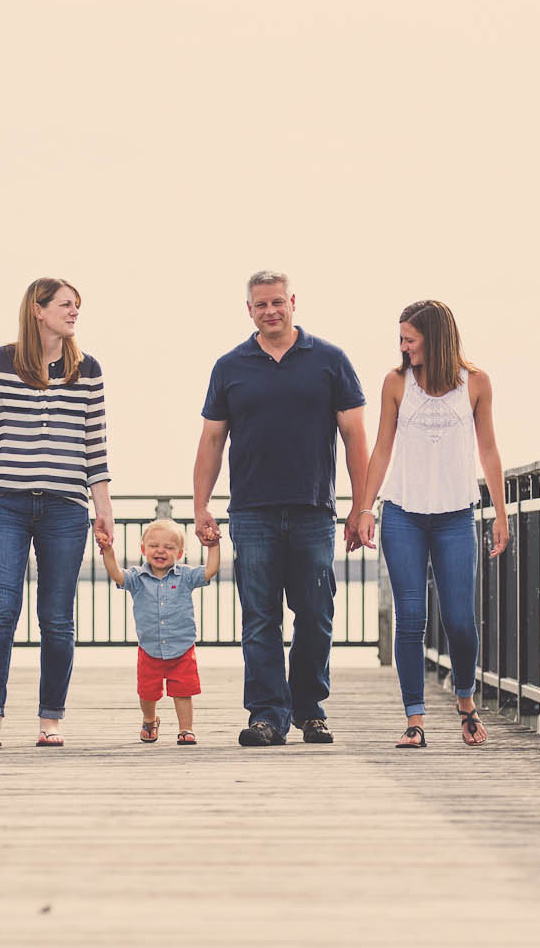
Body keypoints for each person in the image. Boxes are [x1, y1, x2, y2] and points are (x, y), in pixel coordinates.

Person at [193, 270, 368, 747]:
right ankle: (267, 715)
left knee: (315, 613)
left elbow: (355, 436)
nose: (270, 311)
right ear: (248, 310)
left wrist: (361, 506)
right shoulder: (230, 366)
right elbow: (212, 439)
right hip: (251, 512)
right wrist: (201, 505)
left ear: (293, 302)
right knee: (259, 618)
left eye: (277, 302)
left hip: (314, 510)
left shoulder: (330, 360)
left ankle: (310, 709)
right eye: (260, 305)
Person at [0, 277, 113, 748]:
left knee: (57, 617)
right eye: (66, 304)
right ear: (38, 310)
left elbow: (95, 446)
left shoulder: (88, 369)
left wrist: (102, 508)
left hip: (66, 507)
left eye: (77, 306)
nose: (73, 312)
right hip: (4, 502)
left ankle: (51, 719)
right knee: (0, 610)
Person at [353, 299, 508, 748]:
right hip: (402, 514)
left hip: (456, 516)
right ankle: (415, 721)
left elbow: (490, 451)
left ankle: (466, 702)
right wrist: (366, 508)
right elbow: (381, 449)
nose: (402, 346)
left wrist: (500, 513)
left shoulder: (476, 383)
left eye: (410, 339)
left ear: (435, 339)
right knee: (411, 619)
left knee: (460, 620)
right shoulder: (396, 383)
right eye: (400, 338)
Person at [99, 519, 220, 745]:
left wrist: (213, 546)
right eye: (154, 546)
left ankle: (186, 728)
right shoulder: (137, 578)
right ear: (143, 549)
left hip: (182, 648)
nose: (160, 550)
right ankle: (149, 719)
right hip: (150, 648)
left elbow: (210, 570)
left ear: (180, 553)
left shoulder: (185, 576)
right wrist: (108, 550)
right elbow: (117, 574)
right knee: (147, 692)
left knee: (183, 691)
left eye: (169, 547)